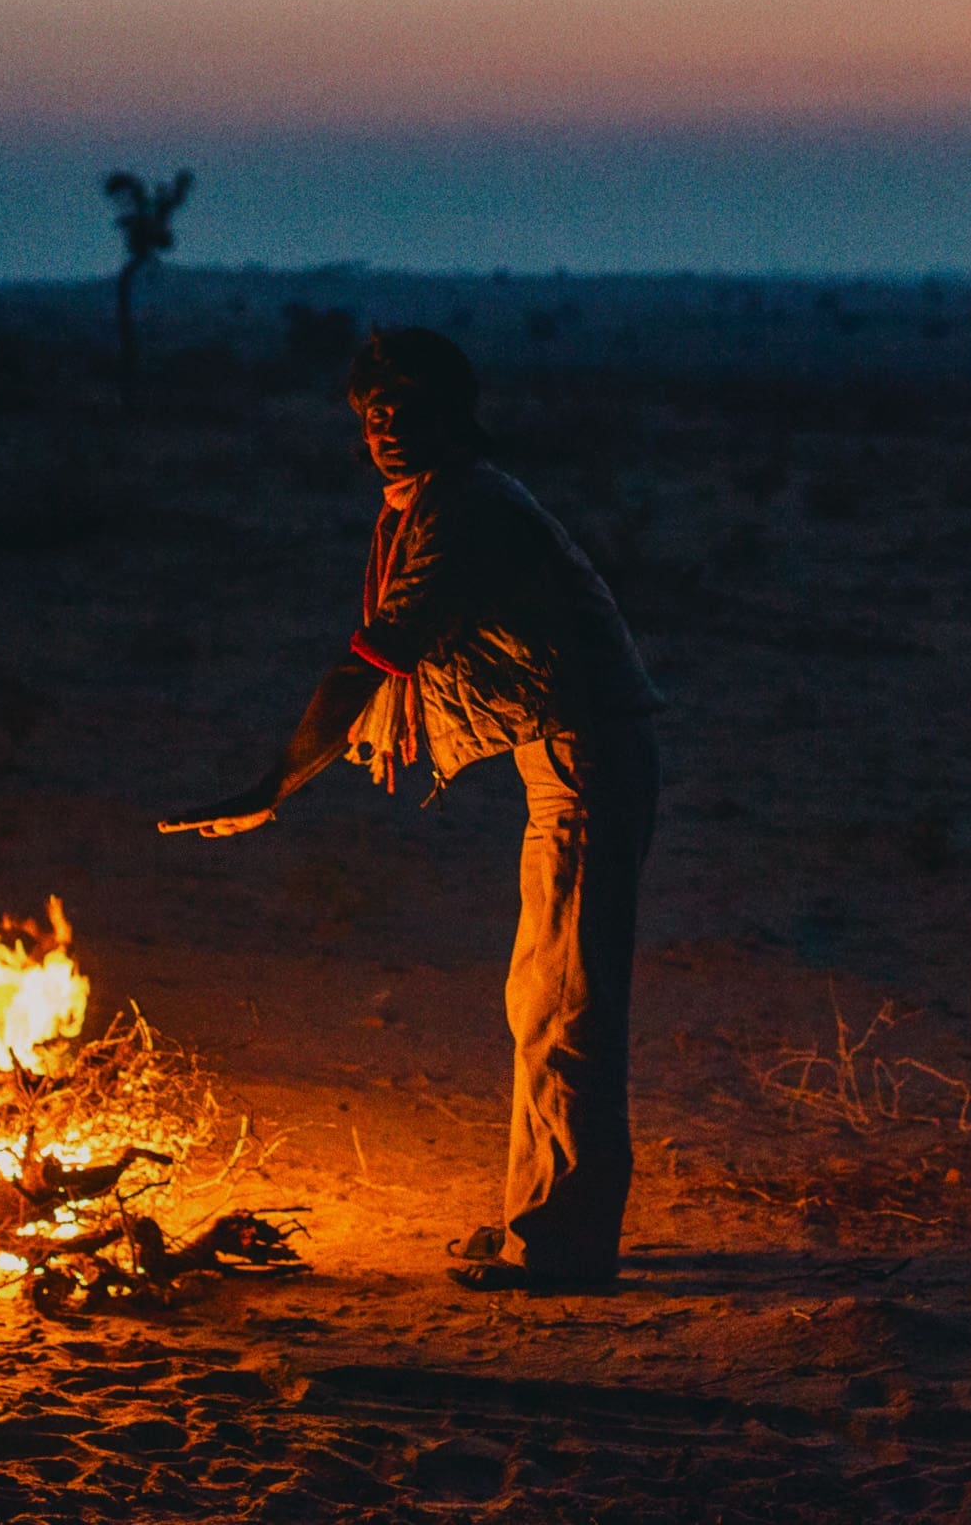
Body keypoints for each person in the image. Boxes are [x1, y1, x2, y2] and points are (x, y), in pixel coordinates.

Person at [159, 327, 663, 1292]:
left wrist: (276, 784)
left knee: (564, 1004)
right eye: (372, 414)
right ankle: (547, 1224)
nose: (386, 431)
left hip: (587, 755)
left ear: (452, 414)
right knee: (543, 997)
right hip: (563, 755)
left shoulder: (465, 510)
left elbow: (375, 656)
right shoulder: (441, 504)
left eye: (405, 412)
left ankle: (559, 1248)